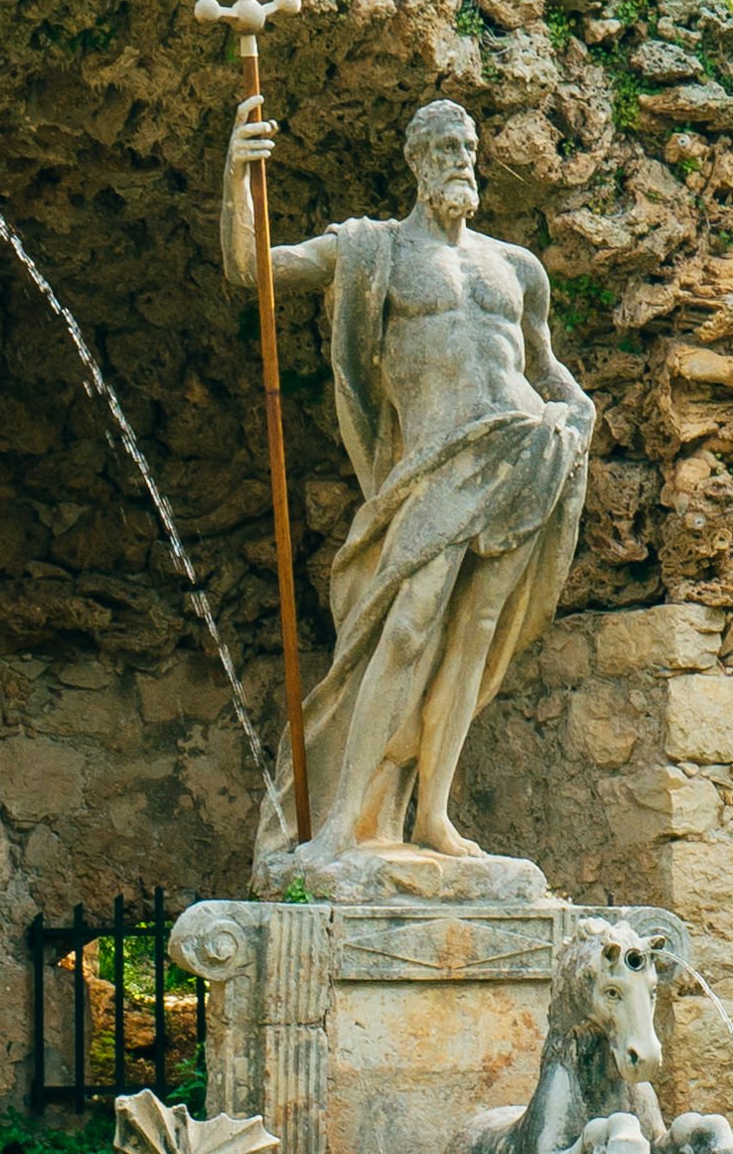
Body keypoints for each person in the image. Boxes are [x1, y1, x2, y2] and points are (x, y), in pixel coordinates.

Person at [221, 94, 594, 883]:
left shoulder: (514, 266)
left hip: (526, 449)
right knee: (407, 624)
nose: (461, 160)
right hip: (434, 464)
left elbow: (543, 366)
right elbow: (253, 269)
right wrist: (238, 174)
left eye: (468, 147)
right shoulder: (373, 251)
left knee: (477, 629)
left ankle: (433, 813)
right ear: (415, 162)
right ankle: (341, 823)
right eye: (445, 149)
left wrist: (578, 412)